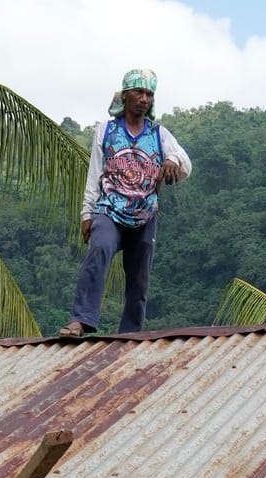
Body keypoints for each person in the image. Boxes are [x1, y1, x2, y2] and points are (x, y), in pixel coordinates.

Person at [58, 69, 191, 338]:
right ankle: (81, 320)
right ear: (125, 95)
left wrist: (172, 161)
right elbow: (95, 173)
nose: (144, 99)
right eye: (139, 92)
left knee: (139, 276)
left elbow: (185, 162)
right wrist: (87, 213)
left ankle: (130, 332)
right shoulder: (106, 130)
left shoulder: (159, 134)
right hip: (109, 209)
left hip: (145, 214)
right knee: (100, 249)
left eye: (149, 94)